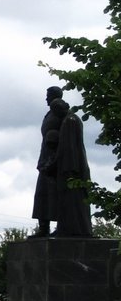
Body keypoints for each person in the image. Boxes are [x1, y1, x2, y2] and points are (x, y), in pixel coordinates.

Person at [50, 98, 92, 237]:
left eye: (55, 111)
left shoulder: (69, 121)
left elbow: (69, 147)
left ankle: (73, 229)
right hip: (73, 166)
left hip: (71, 168)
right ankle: (68, 228)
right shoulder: (72, 119)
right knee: (71, 200)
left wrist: (67, 168)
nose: (55, 115)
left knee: (73, 200)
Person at [30, 86, 64, 237]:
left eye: (48, 95)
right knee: (42, 195)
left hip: (54, 160)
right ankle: (44, 227)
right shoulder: (50, 112)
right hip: (45, 158)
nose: (46, 98)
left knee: (55, 194)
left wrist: (54, 136)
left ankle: (60, 226)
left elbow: (67, 130)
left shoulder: (58, 109)